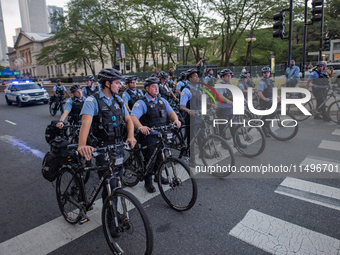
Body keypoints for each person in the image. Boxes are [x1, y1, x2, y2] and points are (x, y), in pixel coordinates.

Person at [77, 68, 137, 202]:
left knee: (119, 182)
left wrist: (131, 136)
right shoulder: (92, 101)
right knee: (110, 186)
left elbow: (129, 121)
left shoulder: (119, 100)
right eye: (117, 82)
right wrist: (82, 145)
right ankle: (110, 219)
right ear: (107, 84)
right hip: (103, 148)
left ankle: (114, 213)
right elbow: (85, 124)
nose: (120, 85)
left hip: (118, 146)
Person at [130, 77, 181, 193]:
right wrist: (140, 126)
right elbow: (133, 117)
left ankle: (158, 176)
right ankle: (148, 182)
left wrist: (176, 120)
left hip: (161, 135)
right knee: (150, 160)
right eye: (153, 86)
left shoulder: (162, 100)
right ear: (147, 88)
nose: (156, 88)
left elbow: (171, 113)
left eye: (157, 86)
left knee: (160, 159)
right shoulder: (142, 102)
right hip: (149, 137)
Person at [180, 68, 216, 165]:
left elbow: (203, 102)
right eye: (194, 76)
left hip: (200, 116)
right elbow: (182, 106)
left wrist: (210, 105)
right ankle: (192, 160)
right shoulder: (186, 90)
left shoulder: (199, 89)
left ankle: (202, 153)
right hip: (191, 118)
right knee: (192, 139)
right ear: (189, 78)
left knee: (202, 136)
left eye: (197, 75)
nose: (197, 77)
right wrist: (189, 111)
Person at [257, 66, 278, 137]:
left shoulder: (270, 81)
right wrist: (265, 99)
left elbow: (272, 91)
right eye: (265, 73)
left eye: (267, 72)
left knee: (272, 114)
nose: (266, 74)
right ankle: (264, 129)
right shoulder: (261, 82)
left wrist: (277, 96)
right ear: (262, 74)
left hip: (271, 101)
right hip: (265, 101)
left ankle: (266, 126)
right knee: (265, 116)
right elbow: (259, 92)